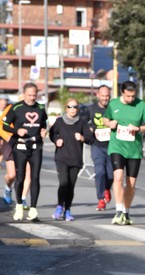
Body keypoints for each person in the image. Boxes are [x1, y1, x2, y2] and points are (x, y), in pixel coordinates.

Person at [102, 81, 145, 225]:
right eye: (128, 96)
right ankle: (118, 211)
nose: (131, 99)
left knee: (131, 183)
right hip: (117, 147)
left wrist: (139, 128)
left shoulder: (141, 105)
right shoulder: (114, 104)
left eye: (133, 96)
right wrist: (109, 123)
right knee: (118, 177)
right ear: (122, 93)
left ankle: (126, 212)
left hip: (134, 150)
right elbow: (106, 118)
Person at [2, 83, 47, 222]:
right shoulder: (16, 108)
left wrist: (43, 130)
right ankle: (19, 206)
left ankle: (33, 209)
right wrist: (17, 131)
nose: (32, 98)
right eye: (29, 95)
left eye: (34, 95)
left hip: (36, 146)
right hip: (20, 146)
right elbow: (4, 125)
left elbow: (43, 122)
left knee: (35, 177)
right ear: (24, 93)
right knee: (20, 177)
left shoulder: (40, 107)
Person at [49, 98, 94, 221]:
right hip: (61, 158)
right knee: (64, 182)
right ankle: (59, 207)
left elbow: (91, 139)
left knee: (71, 185)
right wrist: (56, 140)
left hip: (76, 158)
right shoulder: (59, 122)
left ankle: (67, 210)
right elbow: (52, 133)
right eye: (70, 107)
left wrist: (82, 138)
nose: (72, 109)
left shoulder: (82, 123)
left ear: (78, 109)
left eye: (75, 107)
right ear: (66, 108)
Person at [0, 96, 32, 209]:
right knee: (12, 174)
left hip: (28, 143)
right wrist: (8, 138)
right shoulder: (11, 108)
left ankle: (22, 199)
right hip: (11, 142)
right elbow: (1, 126)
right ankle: (8, 188)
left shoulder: (36, 110)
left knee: (28, 172)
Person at [87, 85, 114, 211]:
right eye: (103, 96)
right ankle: (100, 199)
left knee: (111, 175)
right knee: (100, 172)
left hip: (112, 146)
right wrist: (89, 130)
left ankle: (107, 188)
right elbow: (83, 124)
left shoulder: (113, 109)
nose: (105, 98)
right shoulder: (91, 109)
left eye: (107, 96)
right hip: (97, 146)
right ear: (98, 95)